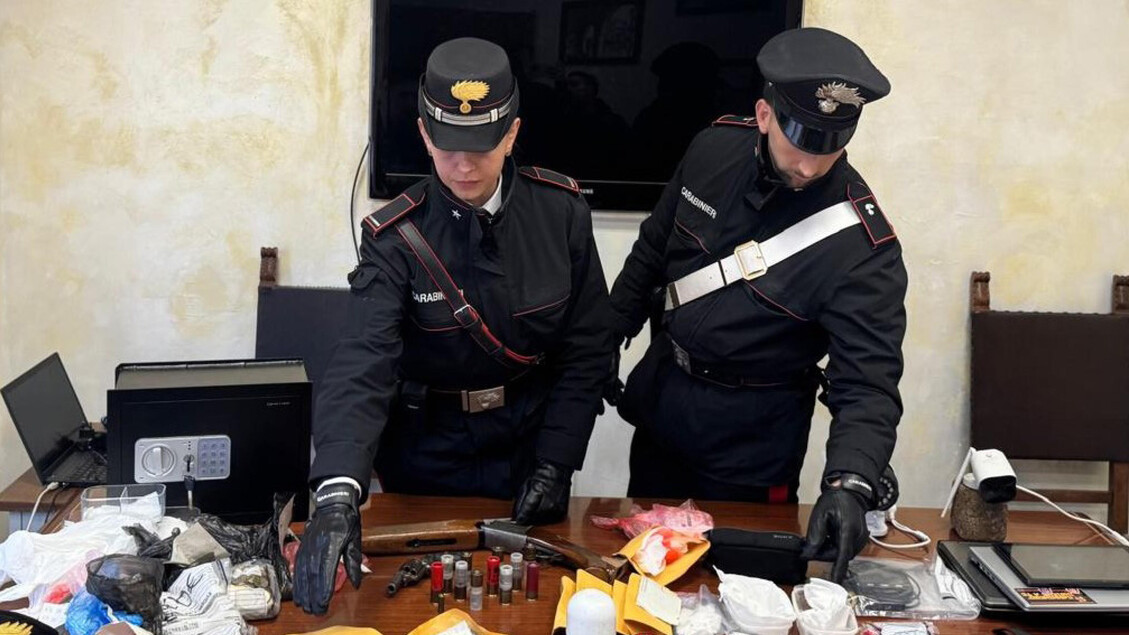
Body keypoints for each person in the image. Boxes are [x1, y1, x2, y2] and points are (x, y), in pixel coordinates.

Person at [294, 37, 614, 614]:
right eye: (447, 147)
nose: (463, 165)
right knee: (420, 612)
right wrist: (337, 491)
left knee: (527, 611)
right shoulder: (395, 238)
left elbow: (588, 347)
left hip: (528, 451)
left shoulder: (561, 213)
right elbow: (363, 360)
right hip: (425, 457)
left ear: (512, 133)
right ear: (424, 134)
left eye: (482, 146)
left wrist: (557, 459)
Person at [608, 27, 906, 582]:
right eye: (800, 139)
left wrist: (850, 481)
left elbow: (868, 381)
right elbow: (653, 249)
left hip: (753, 442)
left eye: (830, 145)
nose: (811, 166)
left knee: (738, 587)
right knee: (646, 570)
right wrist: (608, 334)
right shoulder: (712, 150)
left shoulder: (862, 248)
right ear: (765, 115)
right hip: (664, 411)